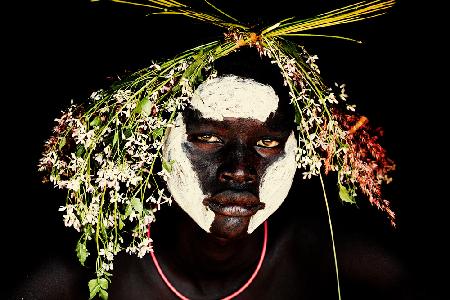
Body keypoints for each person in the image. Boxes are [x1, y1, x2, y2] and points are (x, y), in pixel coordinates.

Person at [8, 47, 417, 300]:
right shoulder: (79, 276)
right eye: (208, 138)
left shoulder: (323, 257)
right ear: (157, 143)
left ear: (298, 151)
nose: (238, 170)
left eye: (267, 144)